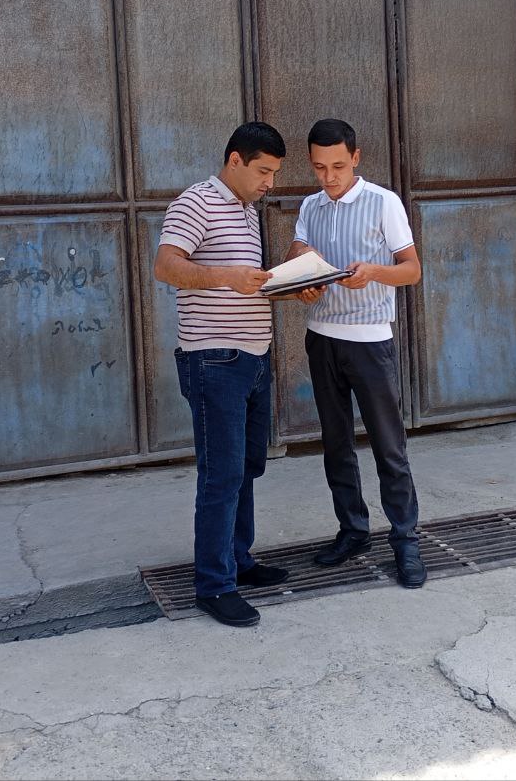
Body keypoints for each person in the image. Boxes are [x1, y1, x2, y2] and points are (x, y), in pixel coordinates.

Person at [153, 121, 291, 628]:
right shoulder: (196, 202)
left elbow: (244, 284)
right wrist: (227, 278)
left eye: (274, 174)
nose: (269, 183)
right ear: (235, 160)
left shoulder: (247, 210)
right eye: (263, 172)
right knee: (222, 473)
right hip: (213, 361)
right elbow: (166, 266)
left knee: (248, 467)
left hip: (253, 358)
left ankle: (238, 559)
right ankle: (214, 585)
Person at [285, 118, 427, 589]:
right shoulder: (310, 205)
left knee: (389, 446)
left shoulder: (384, 202)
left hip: (369, 341)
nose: (329, 177)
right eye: (319, 167)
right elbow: (299, 252)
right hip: (321, 338)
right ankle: (353, 531)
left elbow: (411, 270)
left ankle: (406, 541)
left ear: (356, 158)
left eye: (338, 166)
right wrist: (302, 284)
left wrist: (373, 272)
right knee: (336, 444)